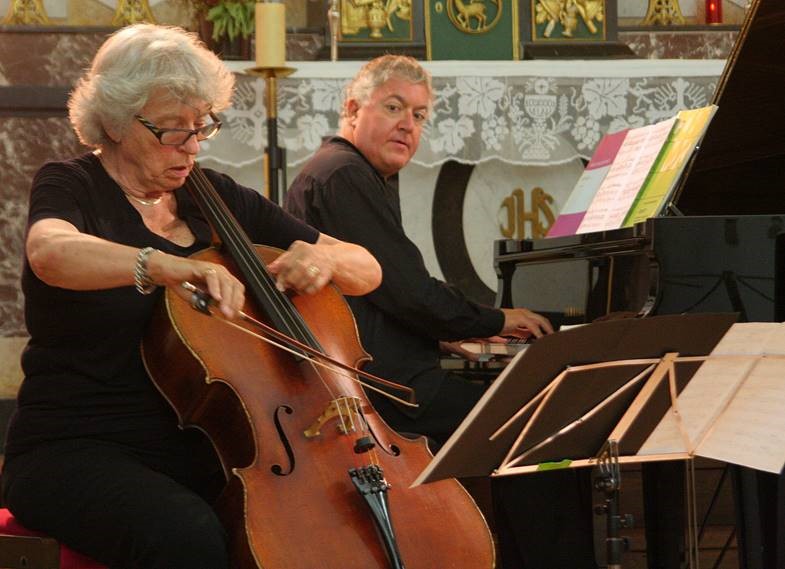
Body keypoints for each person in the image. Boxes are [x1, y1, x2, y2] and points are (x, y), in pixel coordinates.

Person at [0, 24, 381, 569]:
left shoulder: (216, 198)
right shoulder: (71, 184)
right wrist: (160, 266)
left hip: (208, 451)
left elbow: (367, 269)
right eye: (172, 130)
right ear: (115, 119)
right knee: (187, 534)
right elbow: (50, 251)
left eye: (201, 127)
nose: (193, 147)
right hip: (75, 448)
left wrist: (322, 258)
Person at [285, 55, 596, 569]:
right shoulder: (343, 175)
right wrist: (496, 320)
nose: (409, 124)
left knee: (520, 416)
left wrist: (446, 336)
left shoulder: (346, 172)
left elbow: (380, 295)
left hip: (386, 375)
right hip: (384, 390)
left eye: (421, 115)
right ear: (353, 108)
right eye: (394, 107)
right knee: (536, 423)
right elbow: (406, 289)